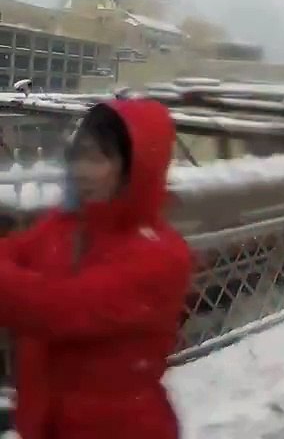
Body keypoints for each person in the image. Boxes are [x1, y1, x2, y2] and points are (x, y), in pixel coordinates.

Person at [0, 99, 192, 439]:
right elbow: (13, 252)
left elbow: (56, 309)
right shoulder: (67, 226)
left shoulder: (161, 256)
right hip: (49, 424)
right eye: (79, 155)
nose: (81, 171)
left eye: (98, 158)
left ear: (136, 168)